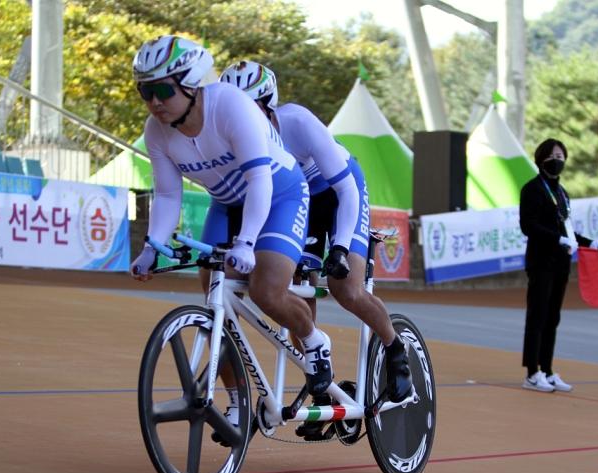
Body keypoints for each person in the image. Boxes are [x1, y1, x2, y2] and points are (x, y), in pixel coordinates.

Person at [128, 36, 334, 421]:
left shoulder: (230, 105)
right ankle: (237, 401)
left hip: (280, 193)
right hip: (226, 204)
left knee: (267, 290)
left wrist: (246, 243)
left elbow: (260, 181)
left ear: (191, 83)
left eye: (162, 90)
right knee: (215, 298)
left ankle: (314, 340)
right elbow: (168, 195)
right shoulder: (156, 131)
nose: (154, 101)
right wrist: (151, 247)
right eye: (144, 91)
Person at [219, 61, 412, 438]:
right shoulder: (230, 137)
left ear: (269, 106)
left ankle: (395, 350)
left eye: (249, 108)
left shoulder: (298, 123)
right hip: (296, 200)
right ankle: (325, 391)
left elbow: (347, 190)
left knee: (347, 289)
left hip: (339, 195)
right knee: (291, 289)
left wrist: (339, 248)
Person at [519, 139, 598, 393]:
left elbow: (567, 229)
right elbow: (529, 225)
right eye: (552, 156)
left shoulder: (562, 193)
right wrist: (557, 239)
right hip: (541, 262)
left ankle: (547, 370)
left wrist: (590, 242)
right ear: (541, 160)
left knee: (552, 318)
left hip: (561, 262)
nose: (557, 160)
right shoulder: (532, 189)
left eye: (561, 156)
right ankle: (532, 373)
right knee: (537, 317)